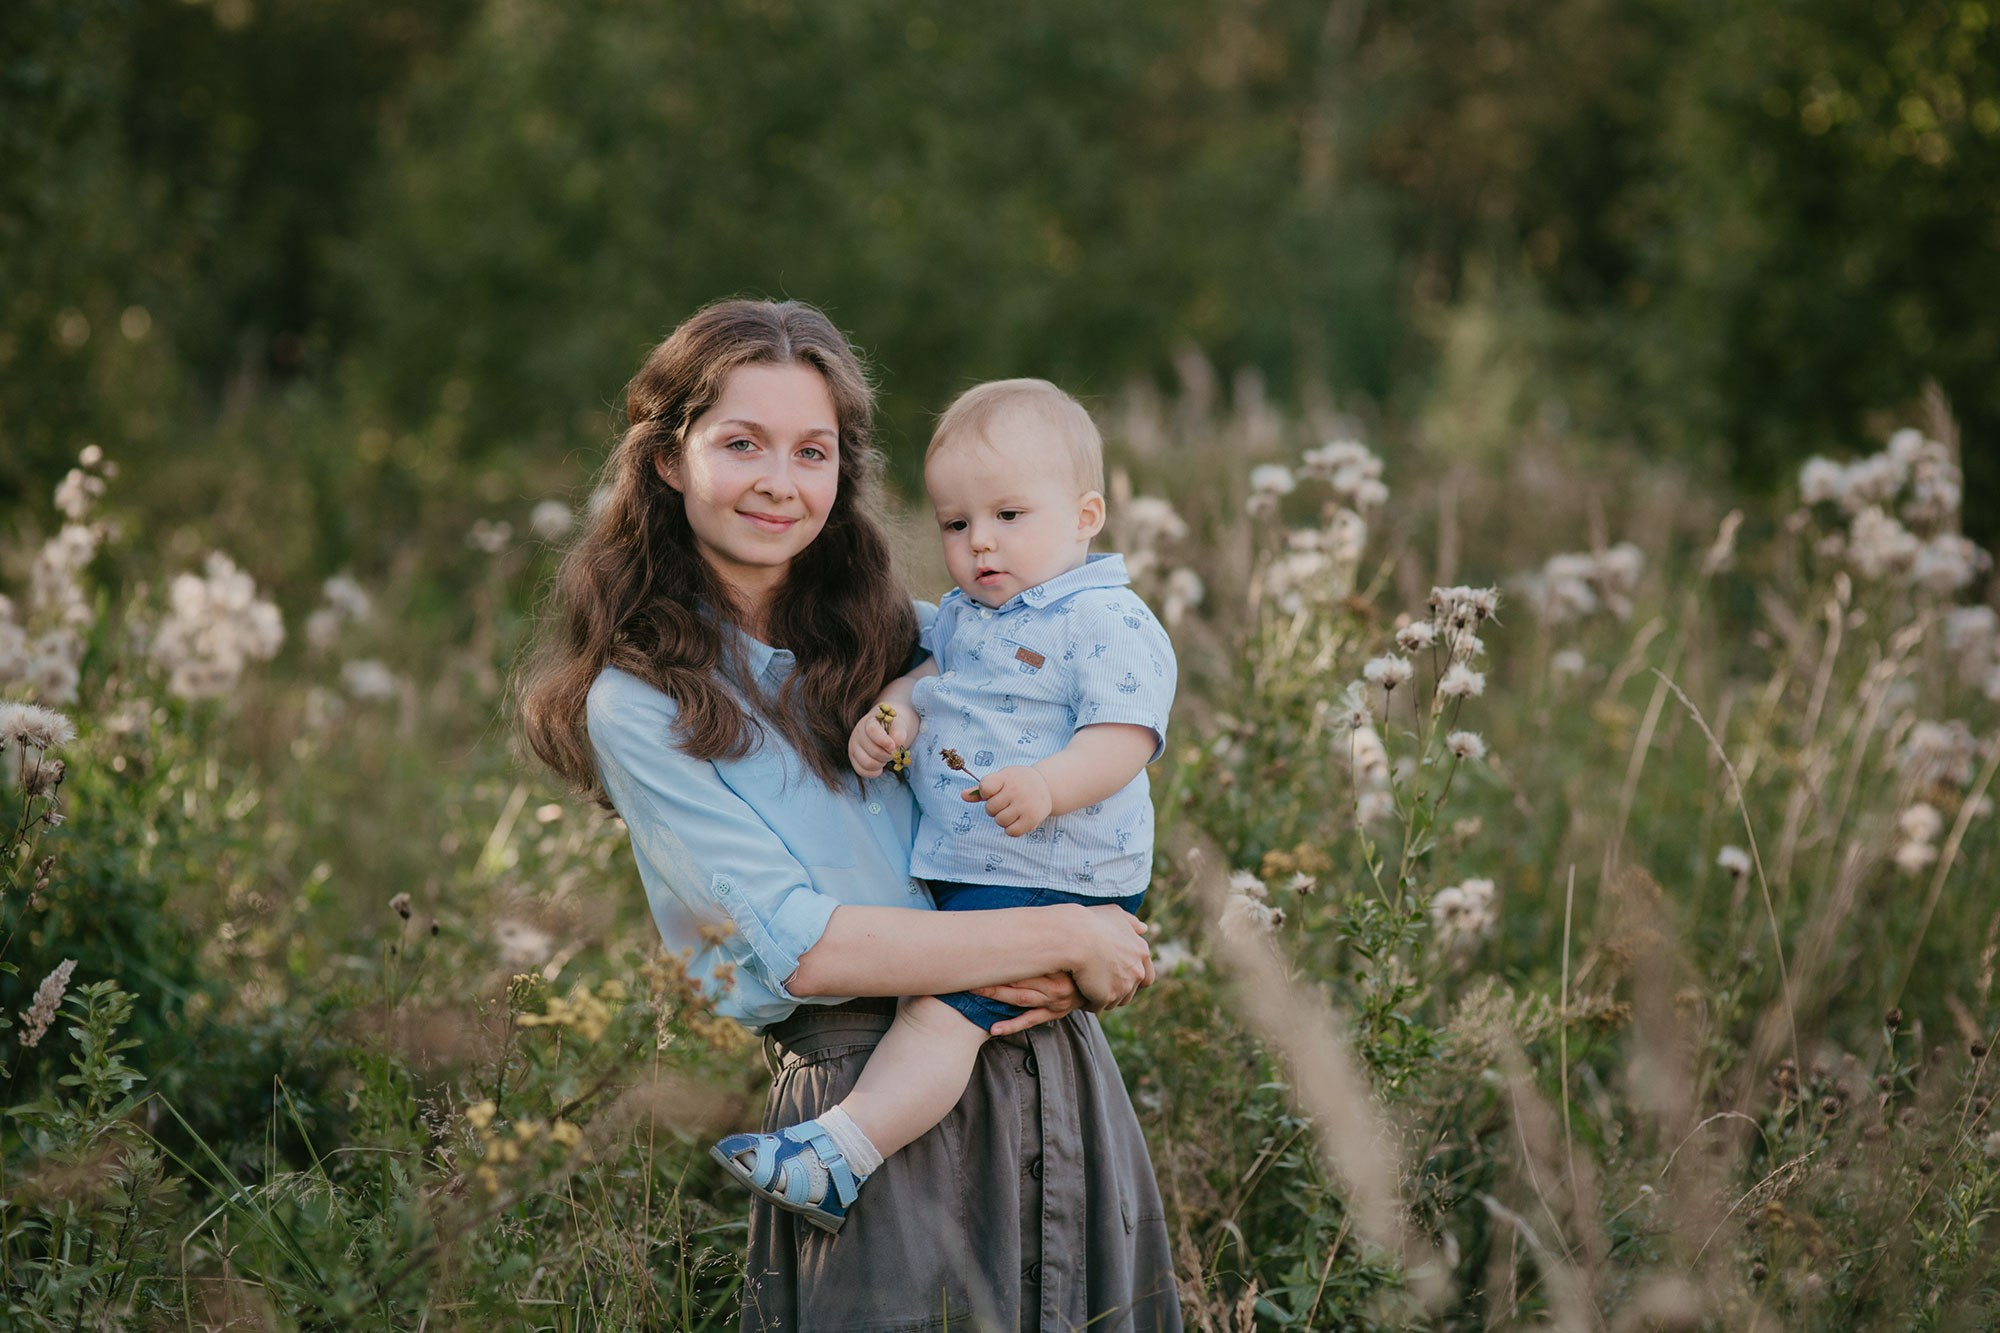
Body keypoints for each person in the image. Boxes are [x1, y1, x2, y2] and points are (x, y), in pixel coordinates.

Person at [518, 300, 1183, 1332]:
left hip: (1050, 1069)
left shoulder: (918, 636)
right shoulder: (639, 700)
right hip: (859, 1113)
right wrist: (1069, 934)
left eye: (812, 451)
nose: (780, 482)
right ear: (667, 458)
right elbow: (806, 950)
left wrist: (1098, 936)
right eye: (741, 444)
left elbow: (1095, 780)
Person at [708, 378, 1177, 1239]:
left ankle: (838, 1156)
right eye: (957, 526)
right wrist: (893, 713)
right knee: (951, 1012)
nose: (980, 544)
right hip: (993, 870)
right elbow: (938, 682)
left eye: (1008, 516)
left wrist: (1050, 785)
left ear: (1086, 515)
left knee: (940, 1014)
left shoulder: (1105, 618)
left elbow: (1126, 737)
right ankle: (838, 1151)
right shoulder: (969, 615)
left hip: (1058, 871)